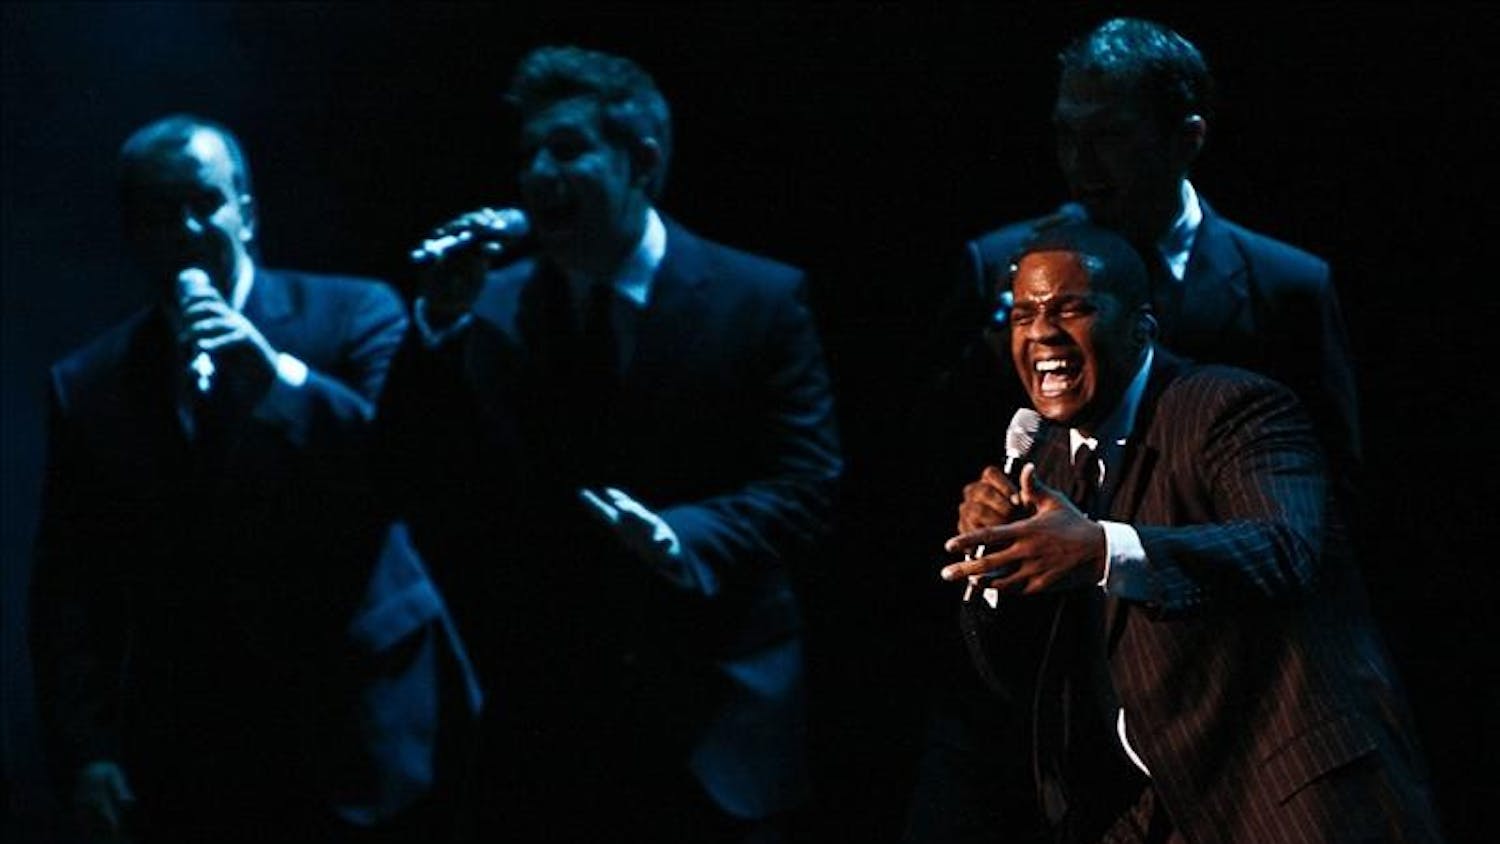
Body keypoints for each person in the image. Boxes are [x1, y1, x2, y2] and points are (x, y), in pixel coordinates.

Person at [904, 19, 1363, 842]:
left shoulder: (1287, 287)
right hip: (1046, 694)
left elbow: (1323, 514)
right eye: (1064, 136)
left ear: (1187, 136)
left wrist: (1111, 548)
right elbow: (945, 459)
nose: (1080, 163)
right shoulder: (1003, 269)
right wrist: (980, 519)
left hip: (1234, 697)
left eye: (1108, 136)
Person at [377, 46, 843, 843]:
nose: (536, 173)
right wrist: (436, 328)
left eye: (565, 149)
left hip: (721, 722)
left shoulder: (758, 299)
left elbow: (807, 483)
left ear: (643, 162)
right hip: (550, 736)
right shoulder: (490, 310)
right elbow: (411, 474)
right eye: (527, 155)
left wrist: (682, 537)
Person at [29, 115, 480, 843]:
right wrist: (87, 749)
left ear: (248, 211)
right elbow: (72, 584)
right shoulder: (89, 385)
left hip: (371, 723)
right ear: (130, 231)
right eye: (158, 211)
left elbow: (399, 468)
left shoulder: (355, 314)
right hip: (207, 749)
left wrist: (279, 383)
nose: (184, 228)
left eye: (204, 202)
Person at [930, 221, 1442, 843]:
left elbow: (1283, 550)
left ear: (1141, 326)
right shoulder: (1049, 463)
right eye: (1024, 314)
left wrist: (1102, 549)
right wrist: (996, 568)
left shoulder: (1229, 407)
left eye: (1072, 308)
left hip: (1292, 799)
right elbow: (1024, 677)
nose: (1041, 332)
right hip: (1155, 810)